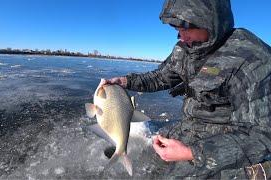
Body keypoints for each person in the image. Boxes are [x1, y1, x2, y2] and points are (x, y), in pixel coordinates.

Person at [100, 0, 271, 179]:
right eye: (177, 31)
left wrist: (191, 153)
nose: (181, 37)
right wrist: (125, 81)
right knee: (150, 164)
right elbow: (161, 77)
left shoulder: (252, 59)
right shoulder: (185, 49)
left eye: (186, 28)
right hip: (192, 126)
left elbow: (262, 136)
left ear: (209, 21)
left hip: (229, 139)